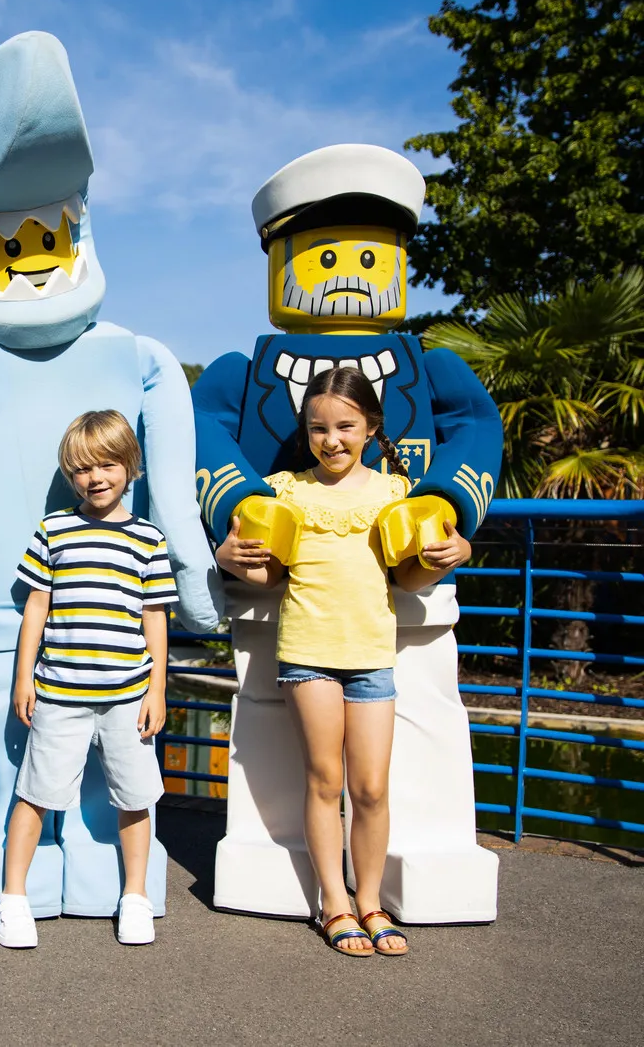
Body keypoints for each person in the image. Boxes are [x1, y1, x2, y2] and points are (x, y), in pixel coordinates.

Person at [215, 367, 472, 957]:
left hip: (373, 657)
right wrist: (227, 558)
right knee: (325, 780)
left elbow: (408, 577)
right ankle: (335, 903)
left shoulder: (395, 493)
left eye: (346, 426)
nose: (332, 440)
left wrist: (459, 551)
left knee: (373, 787)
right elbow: (269, 574)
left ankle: (372, 900)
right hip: (307, 654)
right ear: (306, 432)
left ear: (371, 428)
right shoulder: (285, 492)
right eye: (319, 428)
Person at [0, 409, 177, 948]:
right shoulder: (54, 529)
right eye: (82, 469)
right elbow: (36, 608)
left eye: (107, 464)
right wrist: (23, 678)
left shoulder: (149, 540)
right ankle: (13, 898)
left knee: (135, 797)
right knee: (34, 794)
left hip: (128, 697)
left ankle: (136, 897)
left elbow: (155, 617)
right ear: (69, 475)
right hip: (60, 694)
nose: (95, 477)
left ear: (130, 467)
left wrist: (158, 688)